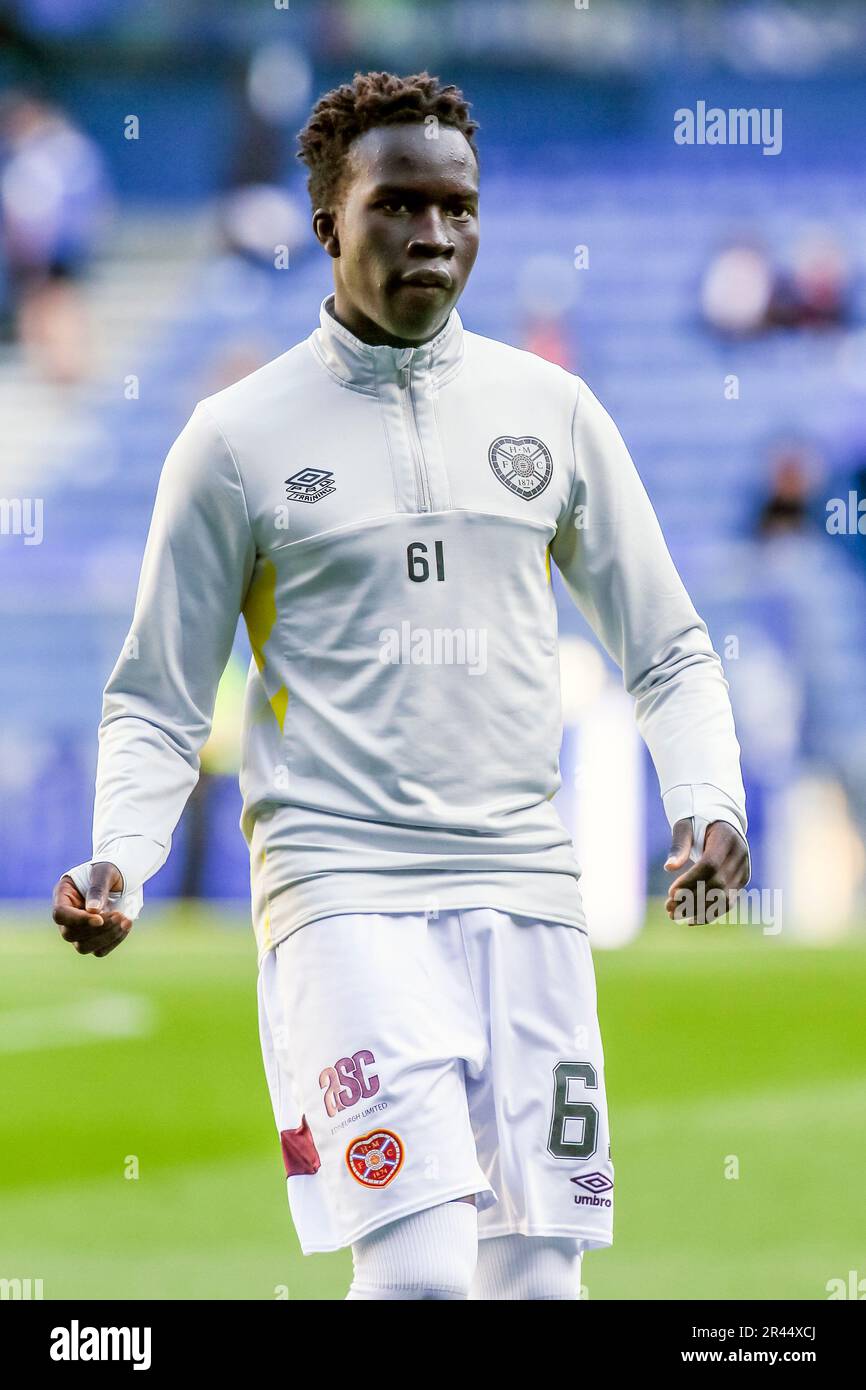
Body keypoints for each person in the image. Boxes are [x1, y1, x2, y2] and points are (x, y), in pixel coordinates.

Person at [52, 71, 750, 1301]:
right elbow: (160, 693)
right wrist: (122, 848)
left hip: (530, 893)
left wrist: (707, 800)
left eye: (459, 208)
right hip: (342, 893)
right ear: (329, 220)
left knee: (535, 1277)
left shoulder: (556, 413)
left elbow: (669, 646)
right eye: (399, 207)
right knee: (422, 1267)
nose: (436, 236)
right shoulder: (234, 437)